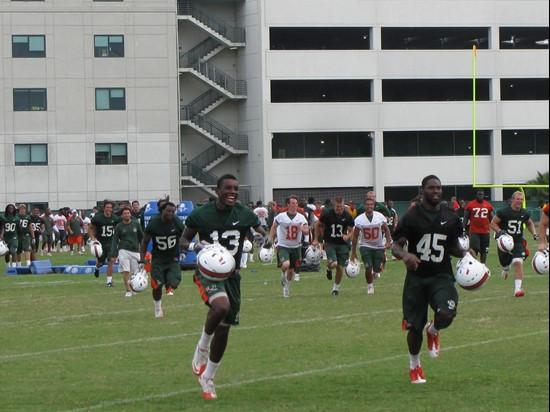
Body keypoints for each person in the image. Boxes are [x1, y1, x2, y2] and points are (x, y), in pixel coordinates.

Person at [180, 174, 266, 399]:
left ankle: (208, 376)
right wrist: (195, 246)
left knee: (225, 328)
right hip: (208, 270)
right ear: (217, 191)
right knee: (220, 307)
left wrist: (264, 240)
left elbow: (261, 232)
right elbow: (183, 240)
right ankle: (201, 347)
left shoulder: (244, 213)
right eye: (227, 188)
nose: (232, 192)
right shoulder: (201, 214)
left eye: (235, 189)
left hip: (233, 275)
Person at [391, 175, 466, 384]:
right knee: (414, 327)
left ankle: (433, 330)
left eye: (438, 188)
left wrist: (465, 253)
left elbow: (452, 244)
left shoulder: (450, 216)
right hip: (417, 278)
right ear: (422, 190)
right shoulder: (412, 216)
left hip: (441, 275)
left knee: (447, 313)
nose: (436, 191)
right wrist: (405, 255)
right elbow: (395, 245)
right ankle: (414, 365)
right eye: (431, 188)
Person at [139, 200, 184, 314]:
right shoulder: (154, 222)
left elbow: (185, 236)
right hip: (158, 258)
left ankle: (166, 282)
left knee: (174, 284)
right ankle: (158, 309)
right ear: (162, 210)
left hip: (172, 258)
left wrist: (183, 250)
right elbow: (144, 241)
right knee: (157, 286)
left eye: (173, 212)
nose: (170, 214)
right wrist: (142, 260)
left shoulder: (176, 221)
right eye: (168, 211)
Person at [490, 191, 538, 297]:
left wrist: (534, 234)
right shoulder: (504, 212)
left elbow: (529, 222)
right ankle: (505, 269)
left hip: (517, 241)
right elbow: (493, 223)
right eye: (518, 199)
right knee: (504, 264)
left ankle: (517, 289)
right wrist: (499, 231)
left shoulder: (524, 213)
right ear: (512, 200)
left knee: (518, 262)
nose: (520, 201)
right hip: (505, 240)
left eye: (521, 199)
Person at [267, 195, 309, 297]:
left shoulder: (301, 217)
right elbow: (273, 226)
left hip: (296, 246)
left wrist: (302, 229)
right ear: (288, 204)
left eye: (296, 203)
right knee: (285, 265)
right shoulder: (281, 216)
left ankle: (286, 287)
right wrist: (269, 238)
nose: (295, 205)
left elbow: (306, 231)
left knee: (291, 271)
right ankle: (282, 274)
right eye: (292, 203)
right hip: (283, 245)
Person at [312, 197, 354, 296]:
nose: (339, 208)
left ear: (343, 206)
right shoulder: (328, 214)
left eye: (340, 206)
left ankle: (335, 288)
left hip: (342, 244)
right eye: (337, 207)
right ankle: (329, 268)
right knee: (334, 264)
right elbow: (317, 224)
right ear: (334, 206)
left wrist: (347, 236)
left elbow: (352, 230)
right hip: (330, 242)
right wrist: (316, 239)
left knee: (340, 268)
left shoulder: (347, 216)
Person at [351, 198, 392, 295]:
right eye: (367, 204)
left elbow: (386, 230)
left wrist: (388, 242)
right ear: (365, 206)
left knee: (377, 268)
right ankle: (370, 287)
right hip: (365, 245)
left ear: (373, 205)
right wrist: (353, 252)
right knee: (368, 267)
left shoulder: (379, 217)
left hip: (378, 245)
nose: (369, 206)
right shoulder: (359, 219)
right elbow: (355, 236)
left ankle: (378, 267)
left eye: (371, 204)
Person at [112, 206, 144, 298]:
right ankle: (128, 290)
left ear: (130, 214)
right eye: (125, 213)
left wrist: (144, 251)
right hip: (123, 250)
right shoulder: (118, 226)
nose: (126, 215)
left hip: (135, 250)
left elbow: (142, 238)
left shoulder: (136, 224)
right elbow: (115, 241)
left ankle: (134, 288)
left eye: (128, 213)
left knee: (135, 272)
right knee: (126, 271)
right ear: (122, 215)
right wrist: (114, 254)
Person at [89, 200, 121, 286]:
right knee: (100, 263)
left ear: (112, 209)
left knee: (111, 261)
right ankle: (96, 268)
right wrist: (93, 238)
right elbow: (90, 228)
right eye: (107, 207)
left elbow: (118, 229)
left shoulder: (115, 218)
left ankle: (109, 282)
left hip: (111, 242)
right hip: (100, 242)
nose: (109, 209)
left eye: (110, 208)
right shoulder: (97, 218)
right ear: (104, 208)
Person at [464, 190, 494, 263]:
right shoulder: (471, 205)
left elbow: (492, 219)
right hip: (474, 231)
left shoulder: (488, 205)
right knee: (475, 249)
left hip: (485, 231)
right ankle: (474, 264)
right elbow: (465, 218)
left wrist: (495, 229)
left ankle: (482, 265)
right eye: (479, 194)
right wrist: (463, 229)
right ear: (476, 195)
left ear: (484, 195)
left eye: (482, 194)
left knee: (484, 250)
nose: (480, 196)